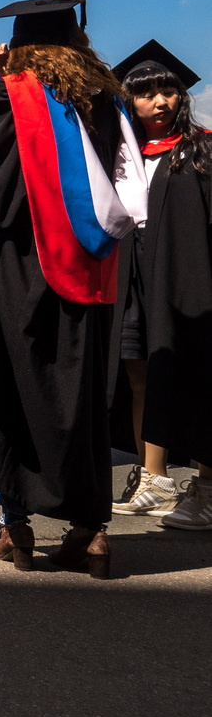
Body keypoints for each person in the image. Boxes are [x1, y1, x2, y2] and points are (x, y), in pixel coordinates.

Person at [0, 0, 145, 578]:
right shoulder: (106, 103)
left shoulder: (6, 100)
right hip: (87, 272)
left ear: (21, 47)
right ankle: (91, 532)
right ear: (77, 43)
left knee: (14, 395)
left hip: (16, 277)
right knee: (79, 396)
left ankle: (16, 527)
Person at [107, 40, 212, 530]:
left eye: (168, 90)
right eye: (146, 93)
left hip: (186, 275)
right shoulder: (120, 157)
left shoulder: (202, 148)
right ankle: (156, 478)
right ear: (129, 100)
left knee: (194, 372)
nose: (160, 101)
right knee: (138, 372)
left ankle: (208, 487)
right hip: (133, 272)